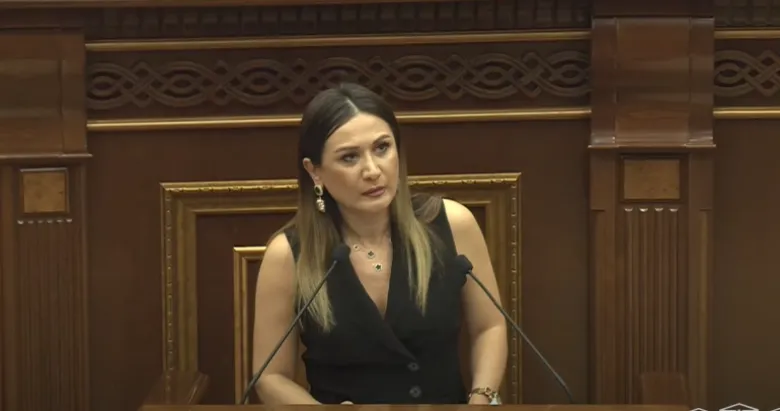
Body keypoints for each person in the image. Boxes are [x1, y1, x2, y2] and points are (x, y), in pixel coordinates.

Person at [251, 82, 508, 405]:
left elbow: (489, 326)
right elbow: (270, 376)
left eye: (382, 148)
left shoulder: (453, 225)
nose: (372, 170)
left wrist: (481, 399)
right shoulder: (289, 255)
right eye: (349, 157)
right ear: (315, 172)